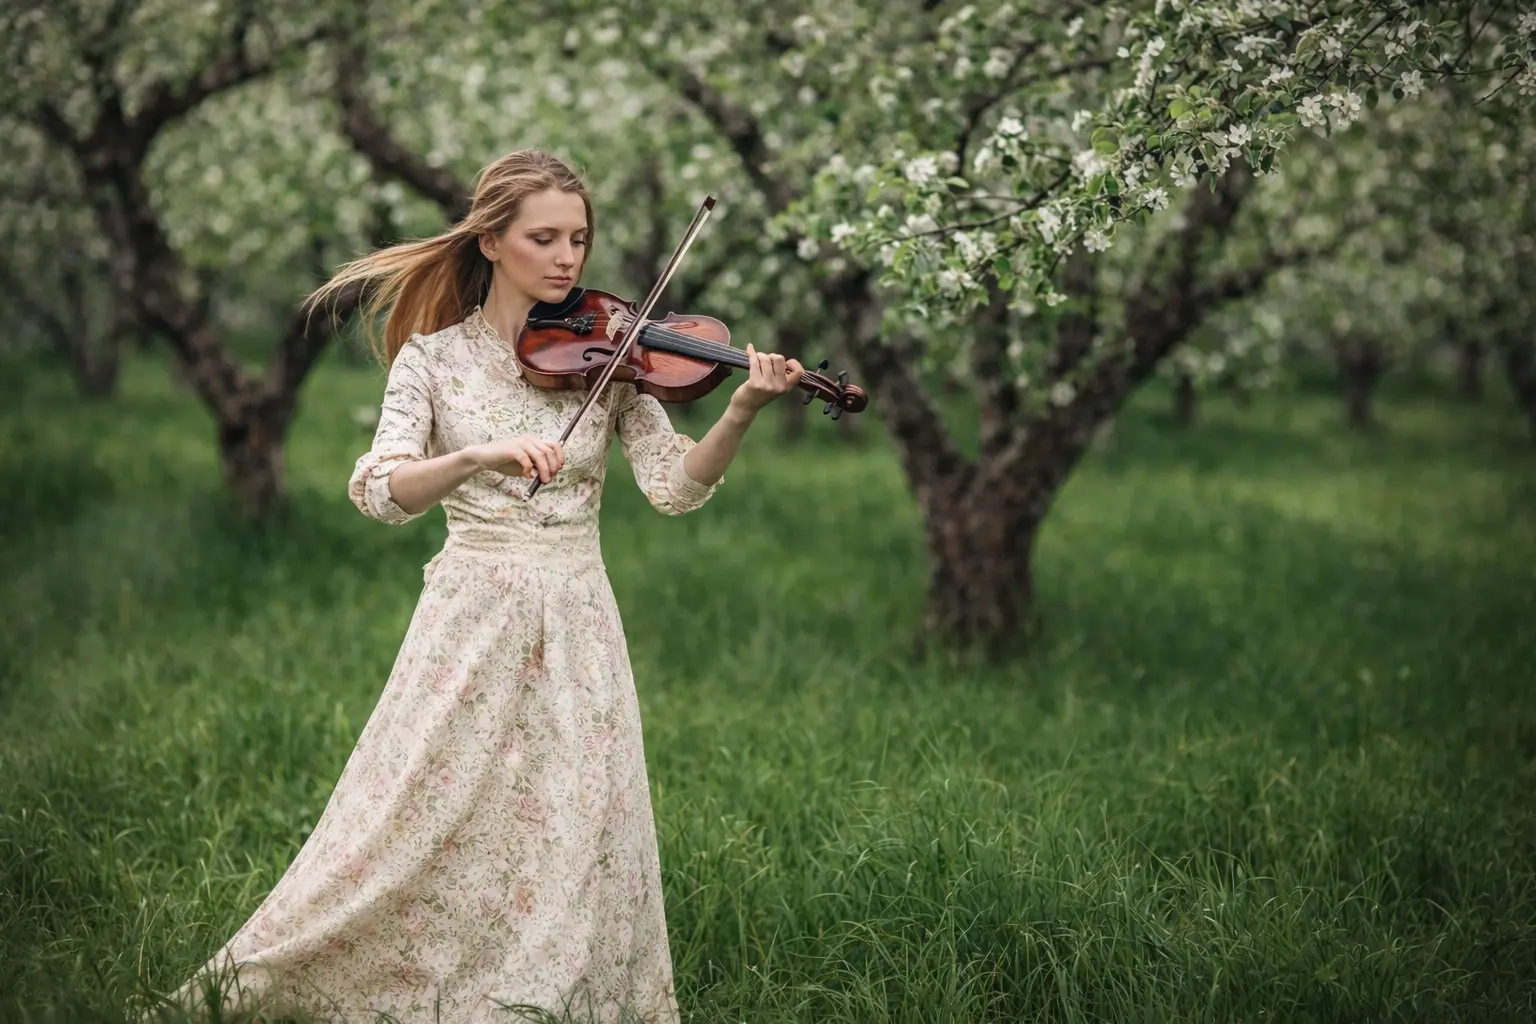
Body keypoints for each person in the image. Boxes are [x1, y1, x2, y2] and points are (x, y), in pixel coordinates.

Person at [157, 149, 803, 1023]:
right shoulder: (431, 362)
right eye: (544, 237)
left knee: (573, 823)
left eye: (579, 238)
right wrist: (471, 458)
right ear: (492, 240)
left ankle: (543, 998)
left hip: (577, 613)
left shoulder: (608, 359)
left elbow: (672, 488)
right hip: (471, 611)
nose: (569, 257)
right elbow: (381, 491)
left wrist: (738, 411)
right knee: (418, 811)